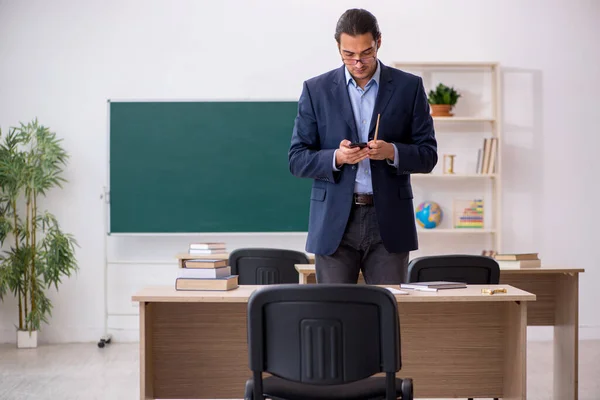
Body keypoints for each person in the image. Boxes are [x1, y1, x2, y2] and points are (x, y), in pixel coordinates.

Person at [288, 8, 438, 284]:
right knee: (334, 316)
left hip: (389, 224)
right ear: (338, 47)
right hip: (334, 223)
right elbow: (297, 159)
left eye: (366, 53)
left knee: (388, 313)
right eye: (349, 54)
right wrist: (338, 157)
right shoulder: (315, 90)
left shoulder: (409, 87)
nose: (358, 62)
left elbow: (428, 155)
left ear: (378, 42)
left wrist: (392, 152)